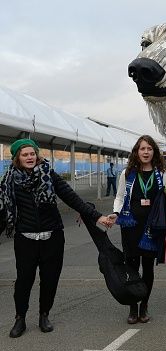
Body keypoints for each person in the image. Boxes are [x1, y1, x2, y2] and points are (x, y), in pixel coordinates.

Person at [0, 139, 112, 338]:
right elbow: (2, 212)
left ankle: (44, 315)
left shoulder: (49, 174)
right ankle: (20, 318)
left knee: (50, 279)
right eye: (24, 155)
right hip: (25, 238)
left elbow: (71, 197)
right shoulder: (9, 180)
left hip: (52, 237)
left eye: (32, 154)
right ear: (17, 158)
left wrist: (98, 216)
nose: (29, 157)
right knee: (24, 280)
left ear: (37, 155)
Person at [110, 135, 166, 325]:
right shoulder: (127, 174)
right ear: (137, 152)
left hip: (152, 227)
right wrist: (115, 212)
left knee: (148, 268)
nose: (146, 152)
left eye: (149, 149)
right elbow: (120, 197)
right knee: (132, 267)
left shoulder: (162, 173)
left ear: (154, 152)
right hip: (131, 226)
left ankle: (144, 305)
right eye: (142, 149)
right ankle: (133, 307)